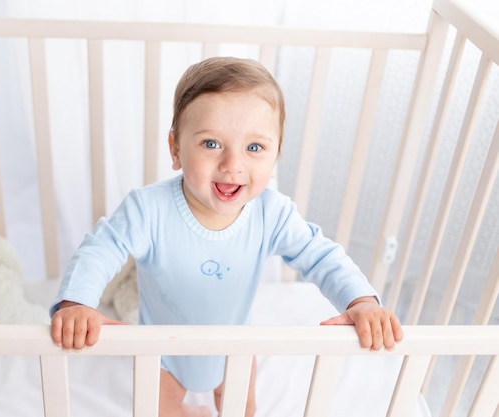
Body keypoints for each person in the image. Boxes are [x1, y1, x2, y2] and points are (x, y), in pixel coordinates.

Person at [50, 56, 404, 417]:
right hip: (163, 355)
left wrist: (360, 302)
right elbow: (101, 248)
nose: (233, 164)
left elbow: (321, 255)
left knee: (241, 411)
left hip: (233, 351)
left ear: (275, 156)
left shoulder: (271, 213)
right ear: (175, 149)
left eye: (254, 148)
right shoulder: (148, 209)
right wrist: (77, 303)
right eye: (211, 144)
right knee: (155, 412)